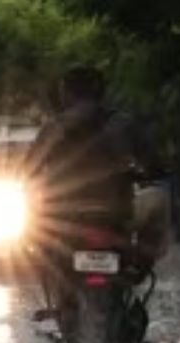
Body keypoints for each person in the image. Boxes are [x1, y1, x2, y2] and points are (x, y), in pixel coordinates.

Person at [25, 65, 164, 247]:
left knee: (33, 228)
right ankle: (145, 256)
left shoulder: (53, 127)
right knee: (158, 198)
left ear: (66, 93)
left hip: (63, 212)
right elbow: (154, 163)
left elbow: (30, 168)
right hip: (116, 209)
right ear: (101, 92)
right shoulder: (124, 124)